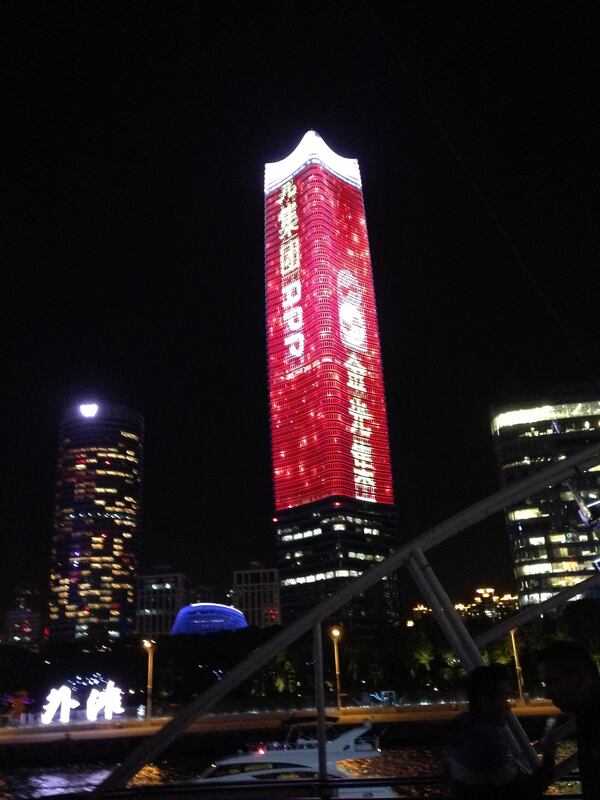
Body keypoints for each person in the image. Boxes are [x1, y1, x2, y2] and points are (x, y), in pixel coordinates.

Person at [447, 663, 554, 798]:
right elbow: (522, 792)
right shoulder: (484, 740)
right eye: (504, 697)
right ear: (485, 701)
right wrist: (549, 761)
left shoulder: (462, 728)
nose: (507, 706)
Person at [537, 640, 600, 799]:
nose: (548, 694)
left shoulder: (589, 718)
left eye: (553, 682)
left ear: (581, 677)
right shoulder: (586, 715)